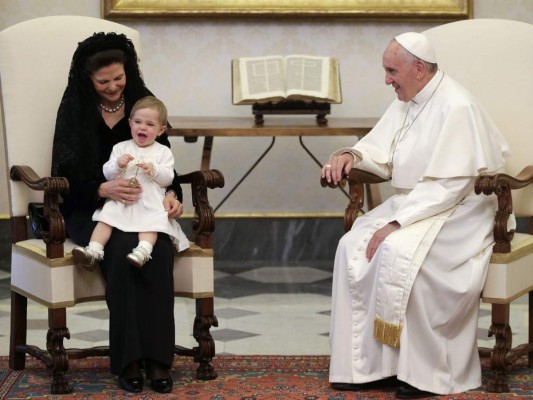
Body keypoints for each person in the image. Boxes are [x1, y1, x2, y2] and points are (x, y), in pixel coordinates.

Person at [321, 32, 511, 398]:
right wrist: (351, 155)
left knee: (402, 252)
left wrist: (396, 223)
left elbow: (450, 185)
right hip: (417, 203)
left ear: (419, 68)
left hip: (462, 210)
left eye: (392, 71)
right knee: (351, 245)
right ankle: (368, 368)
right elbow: (380, 147)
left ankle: (426, 373)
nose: (387, 80)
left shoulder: (457, 106)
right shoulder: (409, 99)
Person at [52, 32, 183, 394]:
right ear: (87, 80)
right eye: (103, 81)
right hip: (95, 212)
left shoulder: (145, 110)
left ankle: (158, 360)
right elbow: (64, 178)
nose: (113, 87)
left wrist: (172, 195)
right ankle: (129, 360)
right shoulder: (76, 112)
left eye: (119, 78)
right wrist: (102, 188)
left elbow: (167, 166)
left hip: (145, 208)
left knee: (154, 254)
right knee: (124, 253)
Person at [72, 96, 189, 270]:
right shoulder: (120, 148)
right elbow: (108, 173)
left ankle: (143, 251)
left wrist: (155, 170)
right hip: (121, 200)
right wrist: (118, 164)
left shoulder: (162, 152)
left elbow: (168, 178)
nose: (142, 127)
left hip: (148, 199)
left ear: (160, 130)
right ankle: (93, 251)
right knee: (106, 219)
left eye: (150, 125)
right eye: (138, 122)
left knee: (151, 223)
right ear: (130, 123)